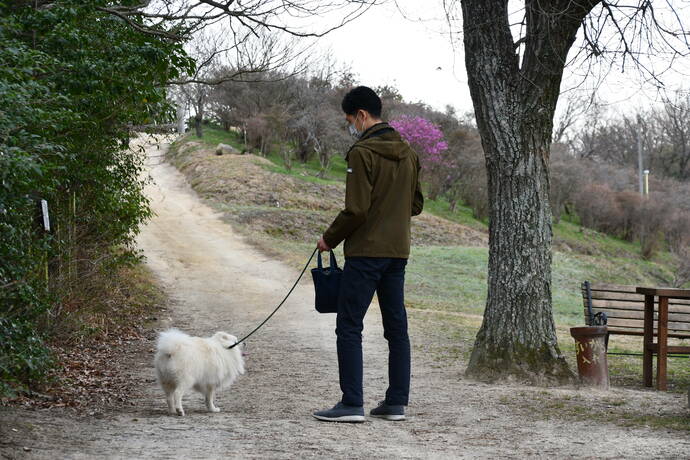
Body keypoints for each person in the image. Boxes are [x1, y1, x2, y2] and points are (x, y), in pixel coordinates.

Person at [313, 86, 424, 423]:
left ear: (361, 115)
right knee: (396, 328)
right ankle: (395, 403)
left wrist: (329, 239)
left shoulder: (361, 152)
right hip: (398, 252)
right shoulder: (408, 152)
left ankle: (351, 403)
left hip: (364, 254)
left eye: (350, 120)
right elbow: (416, 205)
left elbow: (356, 210)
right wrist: (391, 210)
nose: (352, 127)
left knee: (349, 325)